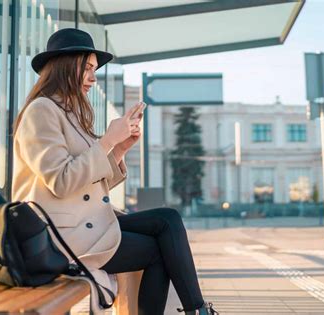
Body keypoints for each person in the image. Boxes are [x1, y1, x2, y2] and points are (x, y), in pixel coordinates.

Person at [11, 28, 218, 315]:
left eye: (94, 70)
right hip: (57, 237)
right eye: (87, 68)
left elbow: (85, 181)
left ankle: (198, 310)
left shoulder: (67, 113)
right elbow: (61, 181)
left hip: (80, 226)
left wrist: (118, 149)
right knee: (158, 251)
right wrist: (107, 140)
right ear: (64, 65)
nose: (93, 79)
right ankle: (197, 311)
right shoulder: (41, 111)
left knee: (167, 219)